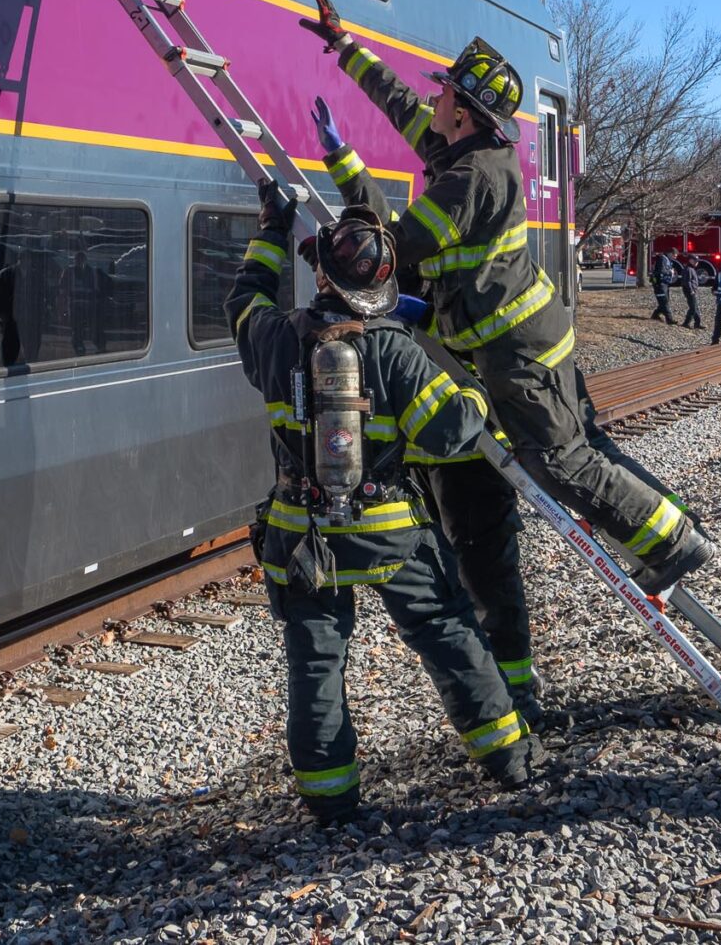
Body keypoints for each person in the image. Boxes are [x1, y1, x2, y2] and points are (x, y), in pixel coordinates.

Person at [304, 1, 717, 603]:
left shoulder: (470, 178)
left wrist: (338, 242)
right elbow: (397, 102)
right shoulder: (463, 154)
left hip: (518, 352)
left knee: (560, 461)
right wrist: (345, 46)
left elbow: (398, 247)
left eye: (444, 94)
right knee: (586, 444)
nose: (433, 100)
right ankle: (673, 527)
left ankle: (671, 544)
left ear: (464, 115)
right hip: (531, 336)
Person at [227, 185, 533, 821]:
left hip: (300, 532)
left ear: (321, 274)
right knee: (447, 633)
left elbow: (243, 300)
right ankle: (509, 761)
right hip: (387, 531)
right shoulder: (393, 348)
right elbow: (454, 431)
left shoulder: (275, 338)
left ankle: (331, 799)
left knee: (314, 657)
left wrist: (269, 228)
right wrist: (470, 389)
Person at [678, 252, 704, 331]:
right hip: (689, 291)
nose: (697, 262)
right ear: (690, 260)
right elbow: (687, 281)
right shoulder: (688, 269)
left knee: (695, 307)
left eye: (697, 261)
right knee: (693, 308)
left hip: (692, 291)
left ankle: (697, 323)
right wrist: (691, 290)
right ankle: (686, 323)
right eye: (695, 260)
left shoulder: (691, 269)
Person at [650, 250, 677, 324]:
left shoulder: (667, 260)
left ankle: (655, 315)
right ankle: (669, 320)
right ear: (670, 253)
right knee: (664, 301)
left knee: (665, 301)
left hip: (664, 283)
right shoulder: (663, 259)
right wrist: (670, 272)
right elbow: (661, 271)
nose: (675, 258)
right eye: (674, 256)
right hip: (660, 284)